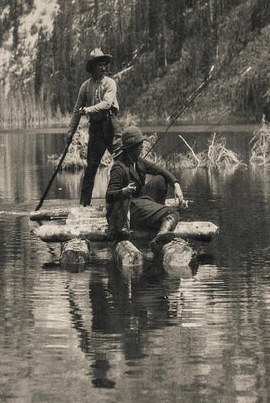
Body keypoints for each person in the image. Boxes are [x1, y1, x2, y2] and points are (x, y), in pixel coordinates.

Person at [106, 126, 184, 254]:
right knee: (172, 213)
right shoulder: (118, 168)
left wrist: (176, 184)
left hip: (139, 201)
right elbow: (109, 196)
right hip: (129, 210)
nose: (142, 148)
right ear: (131, 148)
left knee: (160, 179)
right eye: (139, 146)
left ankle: (156, 218)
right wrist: (124, 191)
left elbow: (160, 170)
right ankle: (160, 237)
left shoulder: (138, 161)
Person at [66, 48, 122, 206]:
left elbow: (107, 104)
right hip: (96, 129)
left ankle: (130, 199)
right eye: (100, 64)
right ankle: (84, 205)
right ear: (92, 67)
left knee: (122, 163)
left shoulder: (110, 83)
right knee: (90, 169)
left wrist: (88, 110)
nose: (103, 67)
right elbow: (77, 111)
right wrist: (70, 132)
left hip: (111, 126)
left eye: (104, 64)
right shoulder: (85, 87)